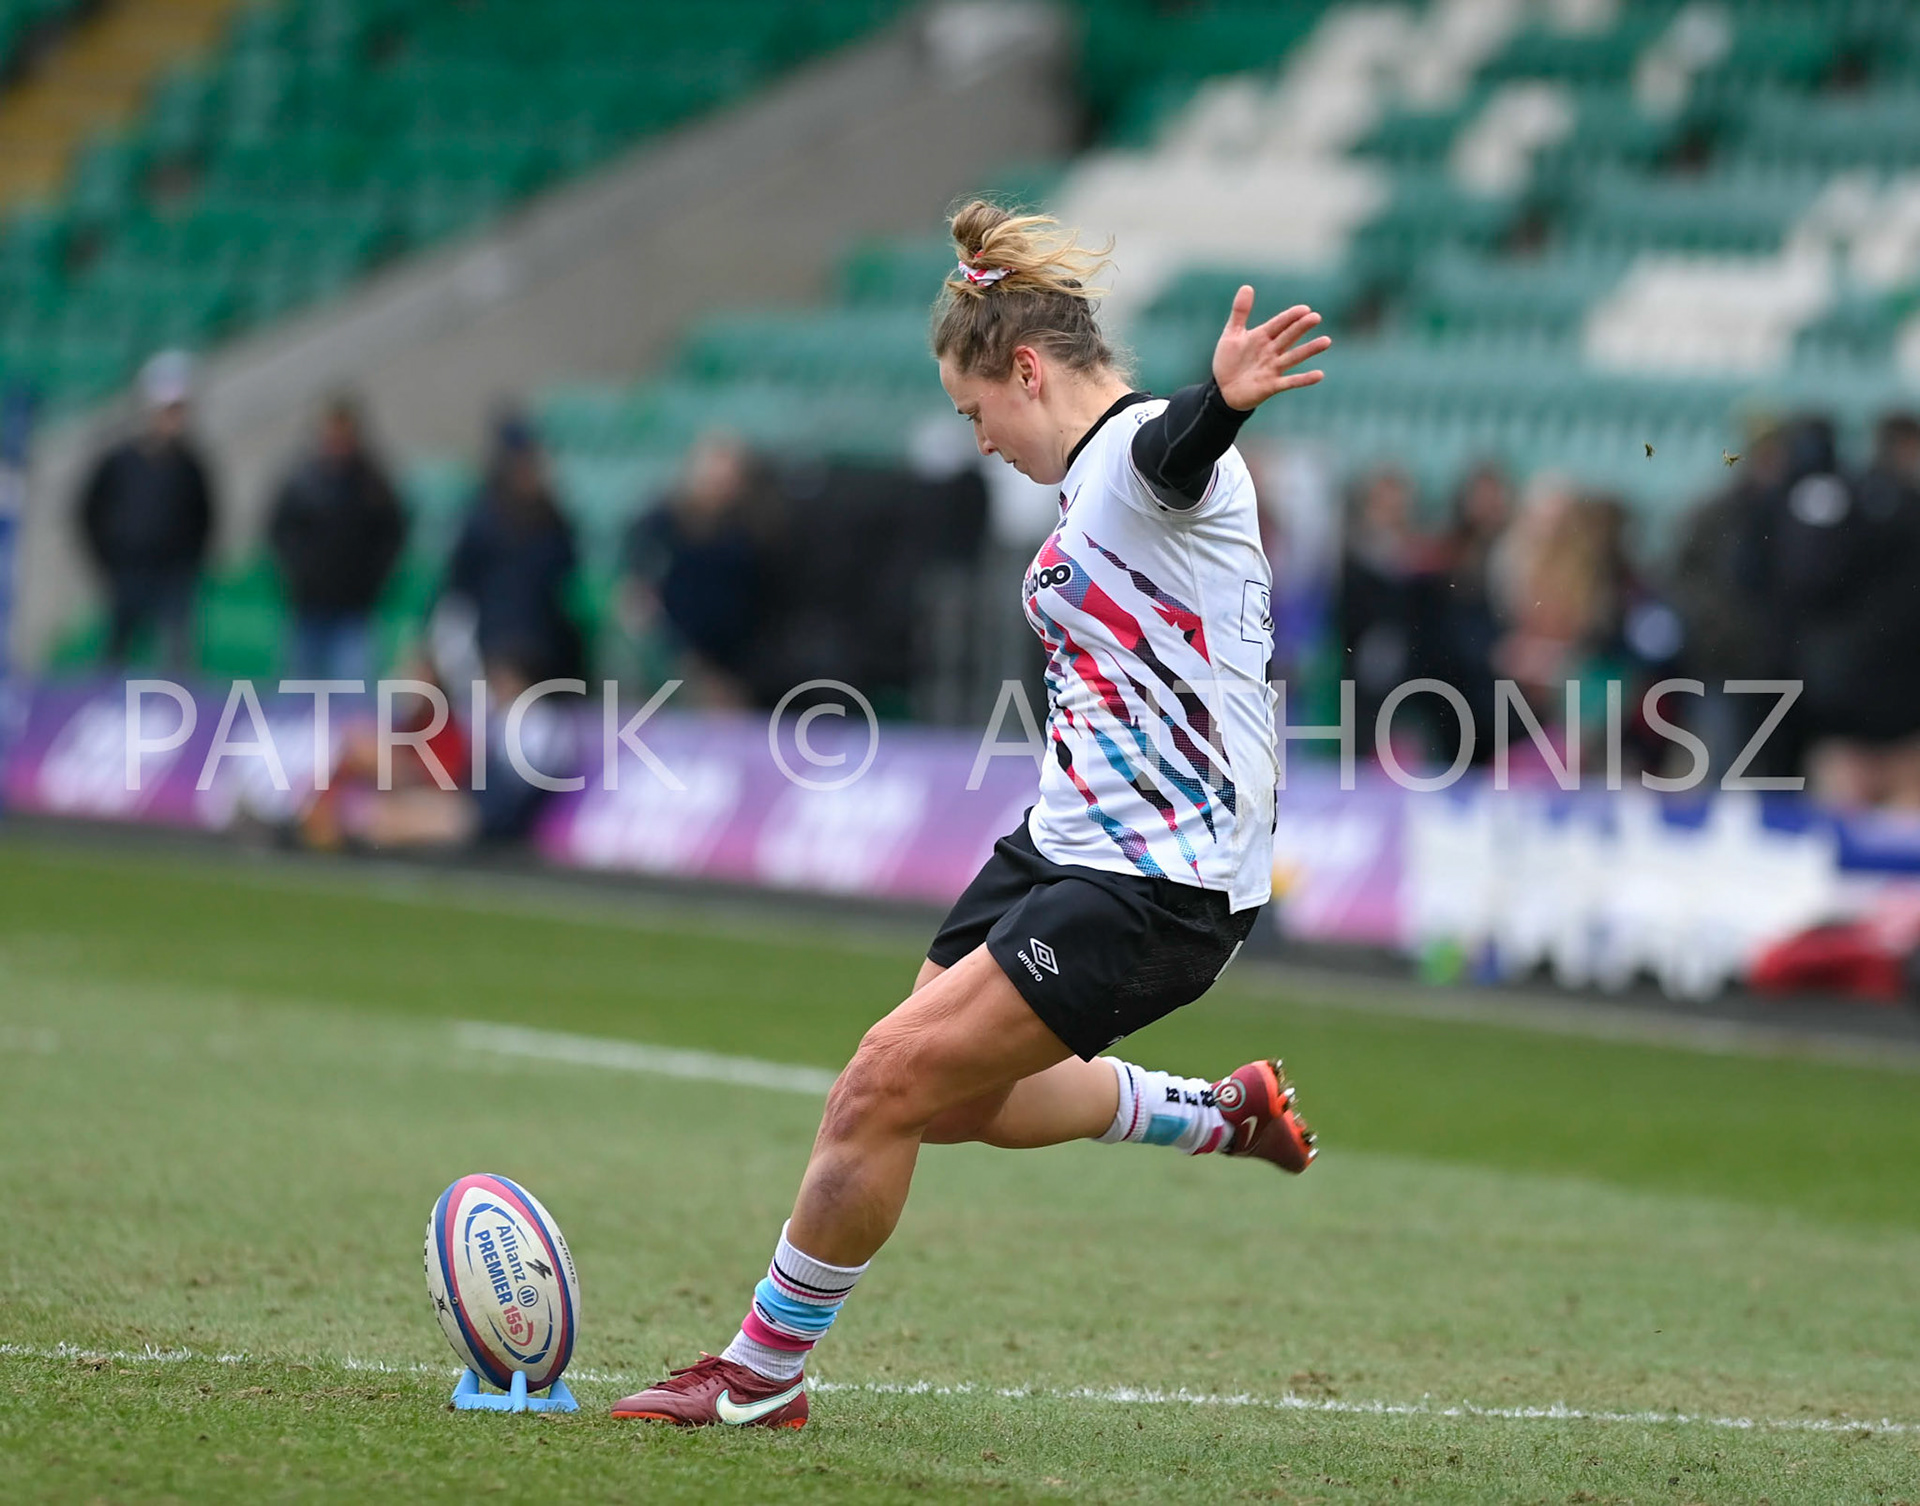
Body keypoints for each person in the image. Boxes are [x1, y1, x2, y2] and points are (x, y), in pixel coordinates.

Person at [612, 200, 1332, 1429]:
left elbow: (1181, 452)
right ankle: (1214, 1115)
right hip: (1061, 845)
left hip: (1155, 885)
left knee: (876, 1087)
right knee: (946, 1103)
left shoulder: (1147, 449)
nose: (981, 441)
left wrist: (1226, 403)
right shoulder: (1095, 481)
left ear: (1028, 370)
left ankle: (758, 1374)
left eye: (974, 411)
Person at [77, 351, 215, 673]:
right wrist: (108, 557)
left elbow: (205, 519)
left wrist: (188, 565)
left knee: (176, 659)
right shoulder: (120, 461)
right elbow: (89, 511)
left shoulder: (191, 465)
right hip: (128, 569)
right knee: (115, 656)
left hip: (173, 576)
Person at [266, 393, 407, 682]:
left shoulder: (372, 483)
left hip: (354, 609)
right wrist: (299, 574)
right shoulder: (301, 481)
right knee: (299, 694)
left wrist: (371, 580)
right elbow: (279, 532)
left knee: (353, 694)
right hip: (308, 607)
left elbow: (392, 535)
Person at [617, 432, 764, 706]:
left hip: (735, 666)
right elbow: (636, 599)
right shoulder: (657, 527)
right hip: (673, 658)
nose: (719, 486)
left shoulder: (747, 536)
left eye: (727, 478)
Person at [443, 412, 583, 686]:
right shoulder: (482, 515)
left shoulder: (550, 517)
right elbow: (462, 577)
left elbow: (566, 568)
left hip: (542, 637)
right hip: (497, 634)